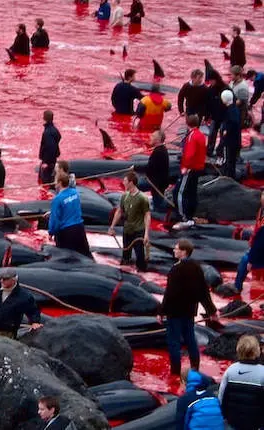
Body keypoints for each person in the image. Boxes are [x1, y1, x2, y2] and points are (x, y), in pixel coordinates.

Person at [160, 239, 218, 375]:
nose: (174, 250)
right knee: (191, 340)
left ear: (184, 252)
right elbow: (203, 292)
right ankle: (195, 368)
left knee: (174, 342)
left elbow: (170, 293)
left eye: (176, 248)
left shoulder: (175, 269)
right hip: (189, 311)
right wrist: (212, 310)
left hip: (175, 313)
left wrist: (161, 311)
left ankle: (175, 371)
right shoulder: (196, 268)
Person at [218, 335, 264, 430]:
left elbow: (221, 397)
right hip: (256, 423)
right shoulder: (262, 372)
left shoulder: (231, 369)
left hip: (233, 421)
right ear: (257, 351)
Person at [108, 172, 150, 271]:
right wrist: (112, 227)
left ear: (131, 182)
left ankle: (142, 271)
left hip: (138, 231)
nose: (123, 182)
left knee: (140, 256)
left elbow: (147, 215)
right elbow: (119, 211)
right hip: (127, 230)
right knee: (125, 254)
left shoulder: (142, 198)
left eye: (125, 181)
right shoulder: (124, 196)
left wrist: (146, 234)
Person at [173, 115, 206, 230]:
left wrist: (185, 167)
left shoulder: (192, 136)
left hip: (190, 168)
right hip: (198, 168)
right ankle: (190, 216)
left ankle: (184, 218)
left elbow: (190, 154)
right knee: (192, 193)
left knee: (179, 192)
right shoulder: (201, 135)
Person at [49, 173, 92, 258]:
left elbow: (55, 219)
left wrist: (51, 232)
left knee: (66, 259)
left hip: (66, 232)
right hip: (79, 228)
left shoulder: (57, 199)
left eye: (55, 181)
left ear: (60, 183)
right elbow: (72, 207)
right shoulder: (75, 193)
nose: (54, 183)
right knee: (86, 256)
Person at [233, 192, 264, 292]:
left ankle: (237, 287)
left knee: (245, 260)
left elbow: (260, 241)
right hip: (259, 245)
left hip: (261, 248)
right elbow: (257, 231)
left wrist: (251, 259)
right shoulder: (261, 210)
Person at [140, 130, 170, 211]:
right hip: (158, 182)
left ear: (158, 139)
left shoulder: (159, 152)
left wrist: (136, 168)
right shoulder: (161, 149)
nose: (150, 137)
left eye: (153, 136)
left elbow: (149, 168)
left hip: (157, 184)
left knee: (136, 184)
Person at [218, 89, 241, 179]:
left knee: (229, 160)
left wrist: (226, 130)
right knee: (231, 160)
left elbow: (233, 122)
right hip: (235, 139)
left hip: (230, 140)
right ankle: (230, 176)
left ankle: (228, 177)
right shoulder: (234, 108)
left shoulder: (231, 111)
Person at [205, 73, 230, 156]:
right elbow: (208, 103)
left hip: (224, 117)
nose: (210, 82)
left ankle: (220, 151)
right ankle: (209, 150)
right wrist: (207, 116)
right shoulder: (210, 89)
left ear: (216, 79)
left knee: (223, 135)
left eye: (211, 80)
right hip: (215, 117)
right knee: (211, 134)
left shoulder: (226, 88)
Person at [39, 110, 61, 184]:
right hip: (52, 159)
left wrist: (46, 162)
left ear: (44, 118)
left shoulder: (47, 132)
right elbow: (59, 136)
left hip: (48, 161)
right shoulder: (54, 129)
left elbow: (49, 148)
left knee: (45, 181)